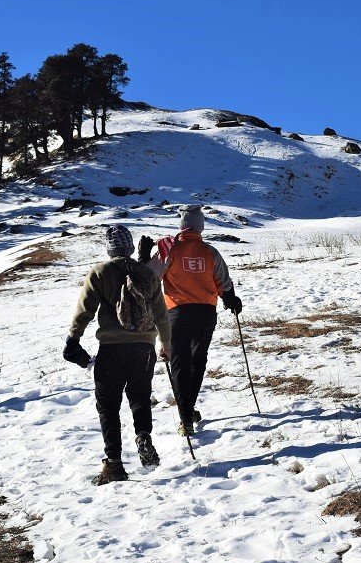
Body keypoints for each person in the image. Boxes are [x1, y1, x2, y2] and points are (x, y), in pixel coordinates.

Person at [65, 225, 172, 485]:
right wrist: (165, 344)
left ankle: (114, 464)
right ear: (131, 247)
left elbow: (84, 311)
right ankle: (143, 435)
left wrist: (73, 339)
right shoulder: (147, 274)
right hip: (144, 349)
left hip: (111, 349)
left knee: (109, 407)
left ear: (109, 248)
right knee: (139, 397)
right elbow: (161, 314)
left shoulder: (100, 273)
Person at [139, 205, 242, 436]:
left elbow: (150, 277)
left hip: (176, 314)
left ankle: (185, 415)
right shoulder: (210, 252)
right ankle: (188, 410)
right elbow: (223, 283)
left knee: (179, 364)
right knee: (198, 362)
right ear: (200, 227)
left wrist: (144, 256)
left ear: (181, 226)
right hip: (205, 314)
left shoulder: (169, 251)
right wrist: (231, 300)